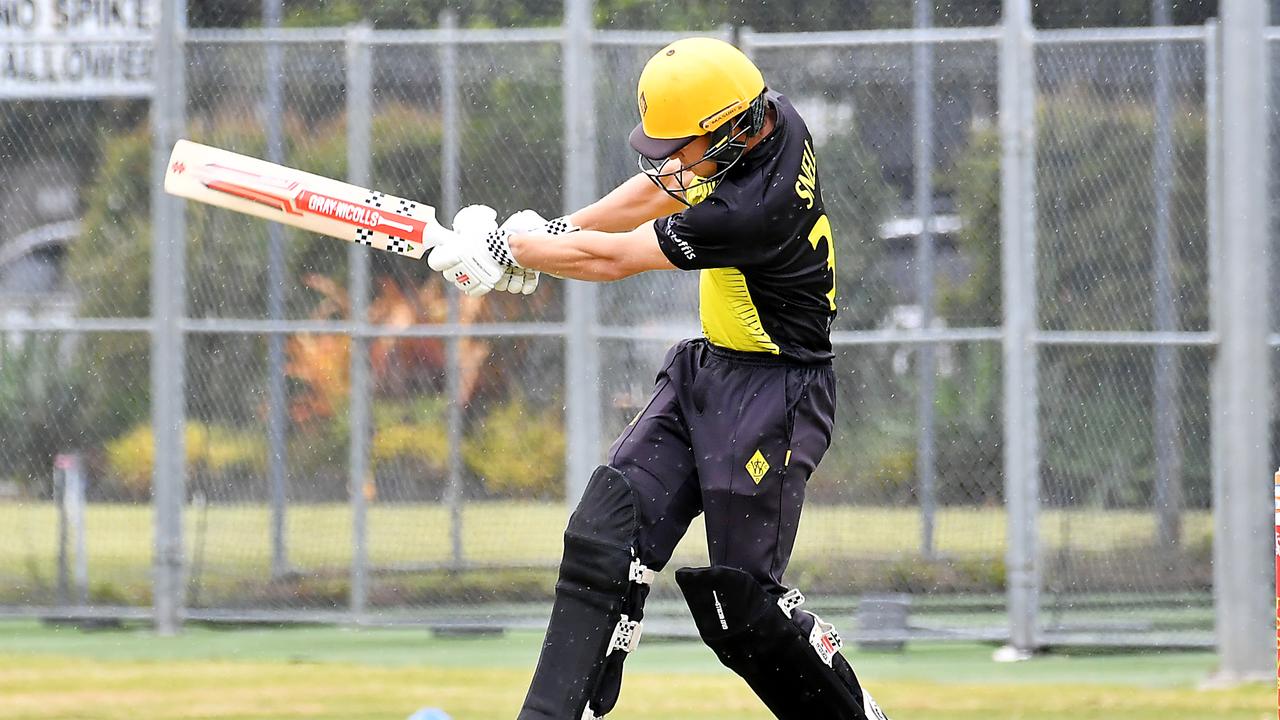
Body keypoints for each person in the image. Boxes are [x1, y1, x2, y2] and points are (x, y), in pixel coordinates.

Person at [428, 37, 889, 720]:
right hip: (709, 370)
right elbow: (651, 191)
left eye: (683, 146)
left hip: (778, 394)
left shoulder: (753, 207)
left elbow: (615, 260)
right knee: (604, 529)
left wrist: (514, 248)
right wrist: (548, 236)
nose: (670, 162)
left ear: (734, 130)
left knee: (743, 606)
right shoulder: (768, 119)